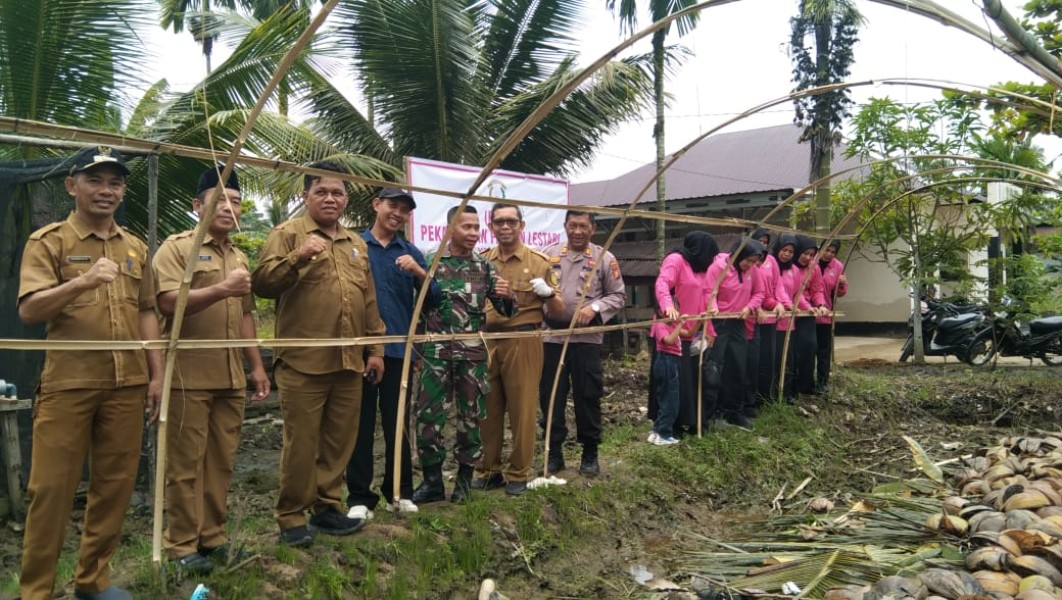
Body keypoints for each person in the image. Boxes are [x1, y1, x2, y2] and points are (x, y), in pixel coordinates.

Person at [16, 146, 163, 600]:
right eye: (95, 180)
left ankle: (91, 581)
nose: (106, 190)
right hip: (69, 384)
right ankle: (35, 591)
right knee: (50, 491)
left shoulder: (135, 246)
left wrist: (155, 374)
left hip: (126, 384)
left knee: (114, 487)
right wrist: (80, 281)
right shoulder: (50, 241)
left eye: (115, 182)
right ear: (72, 185)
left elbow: (146, 312)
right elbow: (29, 310)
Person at [252, 161, 386, 547]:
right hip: (303, 362)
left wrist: (374, 350)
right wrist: (299, 257)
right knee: (302, 444)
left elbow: (369, 302)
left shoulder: (355, 243)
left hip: (348, 361)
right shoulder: (287, 233)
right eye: (321, 192)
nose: (330, 198)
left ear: (346, 199)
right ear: (305, 196)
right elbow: (262, 285)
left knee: (338, 441)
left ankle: (327, 507)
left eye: (338, 193)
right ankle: (291, 516)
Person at [154, 167, 270, 575]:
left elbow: (245, 316)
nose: (228, 207)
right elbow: (167, 302)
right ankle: (181, 544)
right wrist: (222, 288)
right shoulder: (178, 247)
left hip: (230, 375)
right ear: (197, 205)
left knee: (221, 460)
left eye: (235, 201)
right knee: (185, 464)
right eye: (219, 199)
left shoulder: (238, 254)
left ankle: (213, 536)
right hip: (188, 374)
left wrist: (256, 366)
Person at [345, 187, 441, 520]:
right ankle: (359, 496)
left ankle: (398, 492)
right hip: (360, 350)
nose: (397, 214)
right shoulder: (354, 247)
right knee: (359, 423)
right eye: (392, 206)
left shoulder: (411, 252)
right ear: (376, 205)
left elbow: (434, 300)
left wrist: (417, 271)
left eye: (404, 210)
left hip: (399, 351)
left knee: (397, 422)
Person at [411, 205, 514, 504]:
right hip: (435, 353)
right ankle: (432, 481)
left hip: (472, 355)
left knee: (470, 417)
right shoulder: (429, 262)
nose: (473, 233)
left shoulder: (484, 267)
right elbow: (416, 309)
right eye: (466, 226)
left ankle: (465, 482)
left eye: (476, 227)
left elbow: (505, 310)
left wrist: (509, 297)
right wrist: (416, 351)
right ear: (449, 228)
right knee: (428, 416)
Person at [475, 204, 563, 495]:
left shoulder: (538, 263)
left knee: (522, 409)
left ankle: (518, 473)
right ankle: (489, 470)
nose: (505, 227)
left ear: (521, 226)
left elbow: (560, 311)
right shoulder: (482, 261)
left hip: (522, 340)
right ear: (491, 227)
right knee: (487, 410)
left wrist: (548, 295)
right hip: (488, 340)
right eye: (498, 222)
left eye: (511, 221)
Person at [539, 211, 626, 475]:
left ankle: (590, 452)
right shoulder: (548, 255)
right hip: (552, 338)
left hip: (586, 340)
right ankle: (554, 453)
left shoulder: (604, 258)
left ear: (593, 229)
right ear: (565, 226)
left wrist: (595, 308)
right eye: (573, 225)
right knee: (551, 395)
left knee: (587, 395)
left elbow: (618, 296)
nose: (577, 231)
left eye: (583, 226)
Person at [653, 232, 718, 436]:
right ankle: (668, 425)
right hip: (671, 329)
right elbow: (662, 283)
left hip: (691, 330)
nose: (711, 259)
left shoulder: (703, 269)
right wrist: (667, 307)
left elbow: (708, 293)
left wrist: (709, 323)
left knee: (689, 381)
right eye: (709, 254)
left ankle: (687, 421)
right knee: (672, 381)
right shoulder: (676, 260)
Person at [701, 239, 765, 427]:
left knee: (738, 364)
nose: (751, 266)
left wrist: (749, 307)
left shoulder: (753, 271)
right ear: (738, 256)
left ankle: (734, 410)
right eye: (748, 261)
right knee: (715, 365)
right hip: (719, 320)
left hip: (739, 321)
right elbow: (708, 291)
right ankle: (711, 413)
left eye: (754, 262)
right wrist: (713, 307)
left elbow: (759, 293)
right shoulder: (719, 267)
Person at [774, 234, 827, 402]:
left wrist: (820, 305)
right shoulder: (780, 266)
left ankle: (804, 385)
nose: (807, 257)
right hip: (786, 311)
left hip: (804, 310)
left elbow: (817, 289)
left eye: (811, 254)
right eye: (805, 253)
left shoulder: (813, 268)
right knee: (788, 351)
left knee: (808, 347)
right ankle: (787, 388)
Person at [648, 298, 685, 446]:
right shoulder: (660, 325)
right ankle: (664, 433)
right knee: (670, 400)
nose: (675, 313)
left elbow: (688, 332)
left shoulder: (673, 324)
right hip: (666, 362)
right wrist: (681, 323)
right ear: (660, 311)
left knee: (665, 398)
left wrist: (701, 322)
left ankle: (657, 432)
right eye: (672, 309)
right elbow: (669, 340)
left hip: (672, 362)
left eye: (677, 309)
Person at [814, 240, 847, 394]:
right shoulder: (810, 261)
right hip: (807, 313)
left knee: (823, 351)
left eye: (833, 252)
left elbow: (840, 293)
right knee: (807, 350)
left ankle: (822, 382)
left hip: (825, 314)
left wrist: (842, 284)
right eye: (826, 250)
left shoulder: (838, 266)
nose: (829, 254)